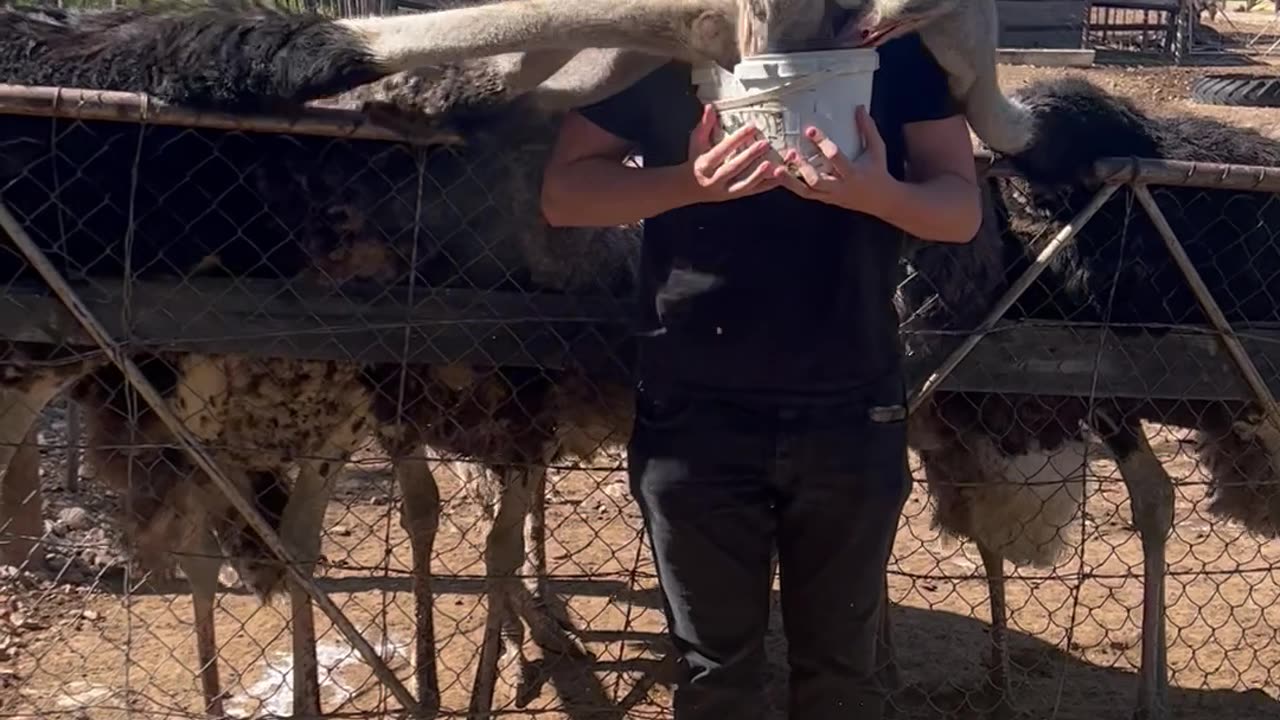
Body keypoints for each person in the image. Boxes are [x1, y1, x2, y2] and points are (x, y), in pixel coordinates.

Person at [540, 29, 981, 720]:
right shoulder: (670, 39)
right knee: (716, 678)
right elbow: (564, 193)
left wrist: (875, 194)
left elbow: (960, 208)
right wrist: (687, 185)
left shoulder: (893, 46)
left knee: (841, 680)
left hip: (849, 410)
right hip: (694, 416)